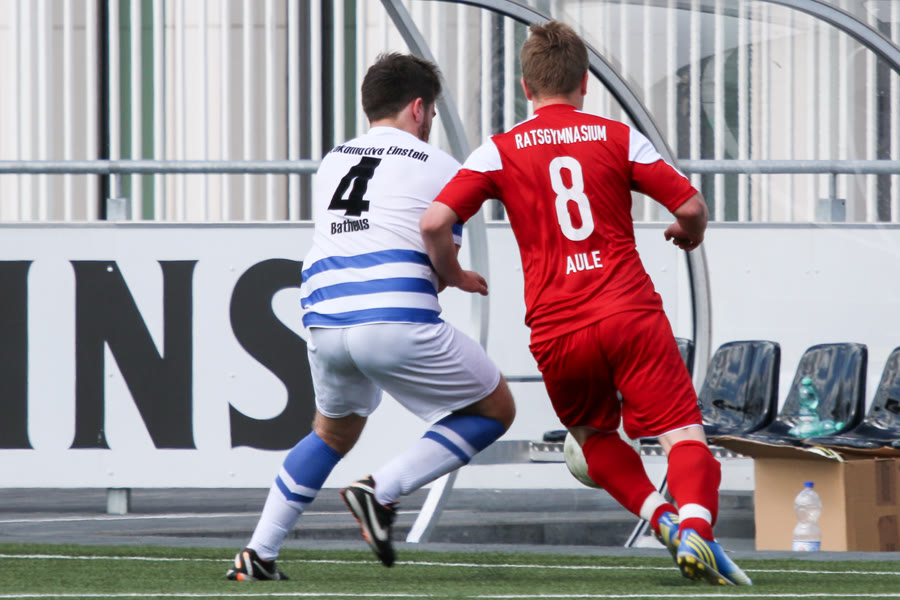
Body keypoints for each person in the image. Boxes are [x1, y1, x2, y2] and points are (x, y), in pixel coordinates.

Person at [420, 21, 751, 587]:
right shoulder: (617, 137)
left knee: (592, 436)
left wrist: (453, 274)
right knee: (681, 434)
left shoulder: (499, 150)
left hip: (558, 329)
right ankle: (697, 523)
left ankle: (663, 521)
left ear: (526, 87)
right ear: (585, 82)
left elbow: (433, 222)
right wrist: (688, 234)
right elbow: (692, 207)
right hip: (628, 312)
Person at [226, 52, 515, 581]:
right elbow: (436, 249)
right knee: (495, 409)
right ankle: (380, 490)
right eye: (430, 114)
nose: (429, 123)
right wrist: (457, 277)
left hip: (324, 318)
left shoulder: (333, 161)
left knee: (330, 434)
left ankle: (258, 553)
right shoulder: (440, 165)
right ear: (419, 108)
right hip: (392, 317)